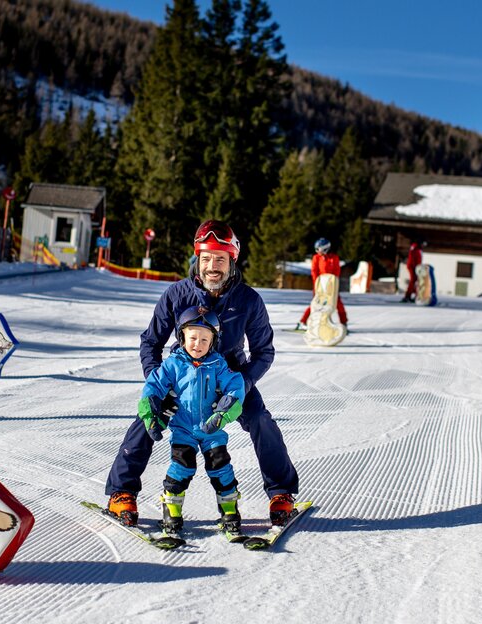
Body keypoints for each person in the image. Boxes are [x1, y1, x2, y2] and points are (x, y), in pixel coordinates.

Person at [106, 219, 300, 528]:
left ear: (231, 262)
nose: (212, 266)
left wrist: (242, 385)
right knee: (147, 420)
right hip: (182, 381)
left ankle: (281, 493)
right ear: (197, 258)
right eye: (206, 258)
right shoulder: (176, 295)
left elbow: (264, 352)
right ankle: (121, 493)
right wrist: (160, 384)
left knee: (261, 420)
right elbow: (151, 342)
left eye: (220, 259)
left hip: (230, 382)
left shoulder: (248, 300)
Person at [139, 305, 246, 535]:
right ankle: (172, 512)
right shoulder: (173, 364)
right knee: (182, 466)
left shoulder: (217, 364)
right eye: (193, 338)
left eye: (205, 340)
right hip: (183, 429)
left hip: (212, 429)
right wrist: (151, 414)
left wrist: (223, 413)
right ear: (182, 337)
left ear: (213, 342)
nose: (198, 345)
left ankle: (229, 511)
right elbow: (153, 385)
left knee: (220, 465)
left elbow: (235, 385)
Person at [297, 237, 348, 331]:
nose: (317, 251)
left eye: (319, 249)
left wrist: (333, 282)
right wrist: (317, 284)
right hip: (320, 285)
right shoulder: (316, 258)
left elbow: (337, 272)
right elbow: (314, 272)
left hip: (331, 286)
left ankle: (344, 324)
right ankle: (302, 322)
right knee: (315, 303)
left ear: (325, 248)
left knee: (337, 303)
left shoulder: (334, 258)